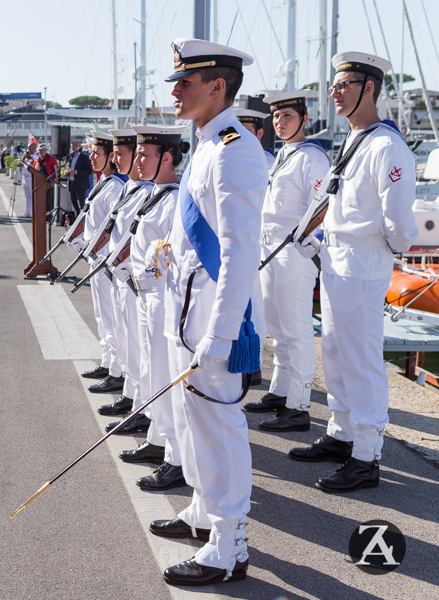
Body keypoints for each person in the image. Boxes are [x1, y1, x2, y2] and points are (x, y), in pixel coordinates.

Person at [150, 38, 267, 586]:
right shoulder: (205, 144)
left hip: (213, 318)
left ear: (217, 86)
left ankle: (229, 544)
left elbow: (242, 252)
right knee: (195, 421)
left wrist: (220, 337)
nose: (174, 91)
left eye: (185, 82)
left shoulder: (235, 149)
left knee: (220, 425)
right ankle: (203, 510)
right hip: (187, 309)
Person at [289, 52, 418, 492]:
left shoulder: (387, 146)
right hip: (337, 261)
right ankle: (341, 434)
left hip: (364, 264)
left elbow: (400, 224)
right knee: (336, 352)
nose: (334, 92)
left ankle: (367, 456)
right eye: (334, 84)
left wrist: (386, 248)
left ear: (369, 88)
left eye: (343, 84)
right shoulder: (354, 139)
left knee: (362, 359)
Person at [244, 90, 331, 433]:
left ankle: (298, 406)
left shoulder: (312, 158)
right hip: (270, 251)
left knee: (296, 331)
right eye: (277, 117)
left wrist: (304, 244)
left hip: (293, 253)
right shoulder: (284, 155)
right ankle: (280, 393)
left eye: (288, 117)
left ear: (304, 120)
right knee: (278, 329)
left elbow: (324, 206)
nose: (280, 123)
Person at [116, 125, 186, 492]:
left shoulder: (174, 199)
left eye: (145, 154)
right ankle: (158, 440)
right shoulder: (155, 194)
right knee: (149, 368)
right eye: (138, 153)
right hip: (145, 294)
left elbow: (168, 249)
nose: (138, 161)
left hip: (160, 296)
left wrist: (145, 273)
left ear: (168, 157)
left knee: (162, 371)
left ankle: (175, 458)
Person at [93, 129, 153, 426]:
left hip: (135, 280)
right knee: (125, 337)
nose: (115, 159)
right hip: (117, 274)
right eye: (114, 154)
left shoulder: (150, 193)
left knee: (137, 343)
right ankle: (131, 396)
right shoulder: (130, 189)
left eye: (122, 154)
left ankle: (141, 407)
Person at [72, 132, 127, 391]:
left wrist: (95, 249)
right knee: (101, 315)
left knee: (111, 315)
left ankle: (117, 372)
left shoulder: (115, 187)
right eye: (91, 152)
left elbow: (113, 228)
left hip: (107, 262)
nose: (91, 157)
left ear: (110, 158)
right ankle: (107, 362)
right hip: (96, 259)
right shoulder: (103, 182)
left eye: (97, 153)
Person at [33, 144, 60, 221]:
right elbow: (34, 170)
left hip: (48, 182)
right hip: (39, 183)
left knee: (49, 199)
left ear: (45, 151)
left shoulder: (51, 159)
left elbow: (56, 170)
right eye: (39, 150)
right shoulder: (36, 160)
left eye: (42, 150)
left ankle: (49, 215)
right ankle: (41, 214)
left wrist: (53, 180)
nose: (41, 152)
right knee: (40, 199)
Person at [67, 140, 93, 213]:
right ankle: (76, 219)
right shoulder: (70, 157)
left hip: (80, 184)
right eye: (73, 145)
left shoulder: (84, 157)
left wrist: (76, 172)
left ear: (80, 147)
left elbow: (89, 171)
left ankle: (83, 219)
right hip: (71, 183)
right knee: (74, 203)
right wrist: (67, 172)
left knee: (81, 203)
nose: (74, 147)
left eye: (76, 145)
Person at [20, 141, 38, 218]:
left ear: (34, 147)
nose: (28, 148)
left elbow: (34, 164)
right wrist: (23, 158)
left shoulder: (36, 156)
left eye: (30, 147)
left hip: (32, 178)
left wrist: (29, 158)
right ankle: (27, 212)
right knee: (27, 197)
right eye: (28, 147)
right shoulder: (27, 155)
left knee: (33, 196)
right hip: (25, 178)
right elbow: (21, 165)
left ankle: (34, 212)